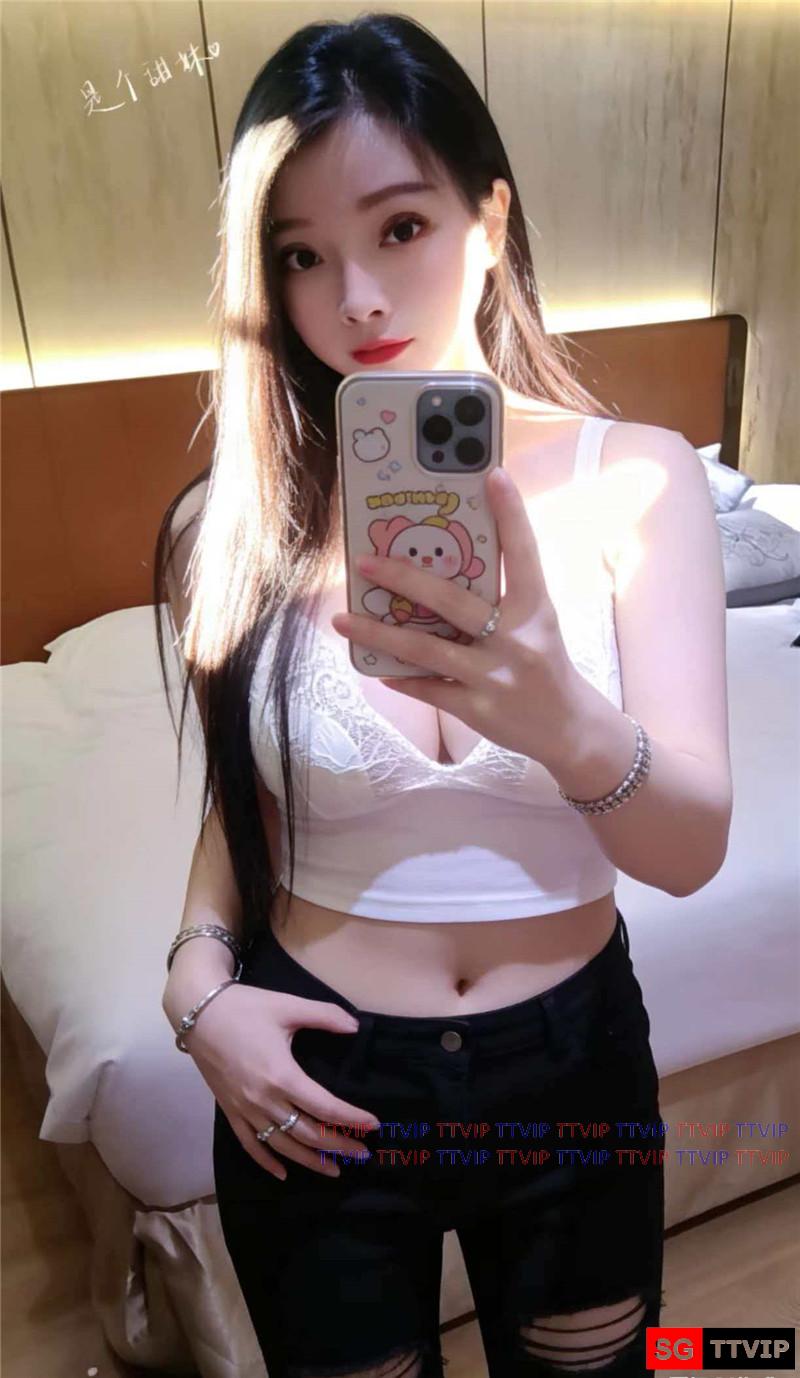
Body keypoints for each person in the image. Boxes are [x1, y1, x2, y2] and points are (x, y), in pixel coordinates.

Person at [155, 13, 733, 1377]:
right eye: (300, 255)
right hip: (320, 1077)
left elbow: (691, 850)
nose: (354, 297)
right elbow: (242, 811)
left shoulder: (638, 479)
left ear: (491, 220)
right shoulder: (226, 526)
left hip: (571, 1067)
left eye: (400, 226)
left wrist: (564, 722)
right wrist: (196, 992)